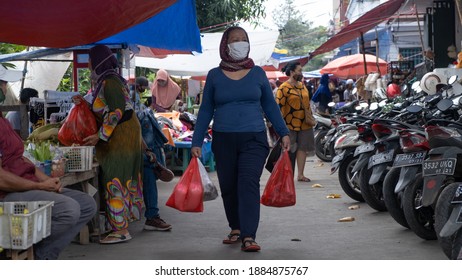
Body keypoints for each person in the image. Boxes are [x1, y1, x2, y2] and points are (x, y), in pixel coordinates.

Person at [190, 26, 290, 252]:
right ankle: (235, 226)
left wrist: (283, 132)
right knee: (228, 185)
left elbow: (269, 106)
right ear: (226, 45)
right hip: (223, 139)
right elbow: (206, 110)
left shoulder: (258, 73)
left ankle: (248, 235)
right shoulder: (214, 75)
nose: (239, 43)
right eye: (234, 40)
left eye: (243, 39)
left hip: (253, 139)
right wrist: (196, 141)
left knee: (247, 183)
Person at [0, 111, 97, 260]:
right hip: (8, 195)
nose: (3, 87)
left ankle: (43, 254)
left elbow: (21, 158)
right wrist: (39, 186)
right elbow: (2, 179)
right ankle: (40, 255)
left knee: (88, 204)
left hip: (28, 184)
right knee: (70, 209)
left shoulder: (3, 120)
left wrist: (47, 180)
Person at [82, 45, 143, 244]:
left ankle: (121, 230)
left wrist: (100, 136)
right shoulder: (109, 80)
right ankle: (120, 224)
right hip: (124, 132)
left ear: (97, 61)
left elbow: (116, 111)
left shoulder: (109, 82)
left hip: (121, 135)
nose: (89, 65)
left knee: (116, 176)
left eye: (91, 61)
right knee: (123, 175)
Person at [134, 76, 172, 231]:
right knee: (149, 172)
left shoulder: (133, 100)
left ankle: (152, 215)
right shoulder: (131, 101)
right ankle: (152, 216)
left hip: (141, 145)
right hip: (137, 146)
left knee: (149, 173)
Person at [275, 61, 315, 182]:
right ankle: (287, 176)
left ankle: (301, 175)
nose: (301, 73)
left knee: (302, 148)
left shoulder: (302, 86)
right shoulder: (283, 88)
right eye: (299, 71)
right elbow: (278, 107)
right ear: (292, 72)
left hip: (304, 123)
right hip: (289, 124)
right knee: (289, 150)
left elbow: (307, 103)